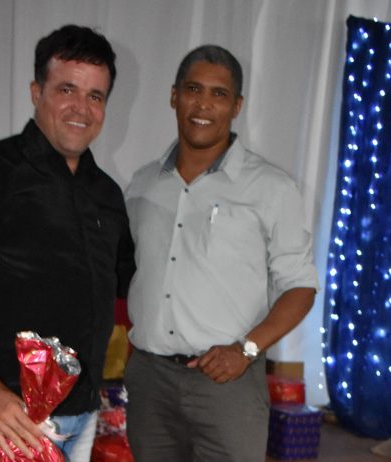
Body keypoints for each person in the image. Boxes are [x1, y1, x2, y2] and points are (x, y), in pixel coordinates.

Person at [0, 24, 135, 462]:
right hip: (13, 417)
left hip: (84, 415)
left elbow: (127, 284)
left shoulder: (107, 195)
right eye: (67, 90)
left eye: (95, 96)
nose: (81, 108)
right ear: (37, 92)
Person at [124, 44, 319, 462]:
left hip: (228, 383)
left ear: (237, 106)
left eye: (219, 94)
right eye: (193, 89)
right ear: (174, 95)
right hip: (150, 383)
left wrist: (246, 350)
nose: (203, 104)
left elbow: (301, 287)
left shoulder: (271, 189)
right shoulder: (142, 184)